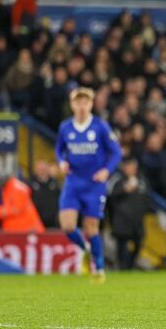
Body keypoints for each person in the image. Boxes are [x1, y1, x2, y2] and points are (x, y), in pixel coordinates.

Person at [55, 87, 122, 283]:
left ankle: (99, 268)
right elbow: (59, 148)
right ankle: (85, 249)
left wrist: (106, 171)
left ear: (91, 104)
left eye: (85, 102)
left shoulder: (100, 126)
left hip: (94, 185)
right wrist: (61, 162)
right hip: (73, 182)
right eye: (78, 102)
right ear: (72, 105)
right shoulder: (65, 127)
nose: (81, 106)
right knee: (67, 226)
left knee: (91, 228)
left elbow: (116, 152)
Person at [107, 158, 150, 270]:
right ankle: (122, 268)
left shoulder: (142, 180)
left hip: (137, 220)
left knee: (138, 244)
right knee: (122, 247)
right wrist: (124, 190)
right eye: (129, 166)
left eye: (133, 167)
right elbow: (109, 196)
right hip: (121, 220)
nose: (131, 169)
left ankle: (129, 266)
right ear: (124, 167)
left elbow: (147, 197)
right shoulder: (117, 180)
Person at [29, 160, 61, 229]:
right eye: (40, 169)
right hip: (36, 221)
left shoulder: (55, 184)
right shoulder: (31, 184)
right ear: (36, 170)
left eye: (44, 169)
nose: (42, 171)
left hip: (53, 222)